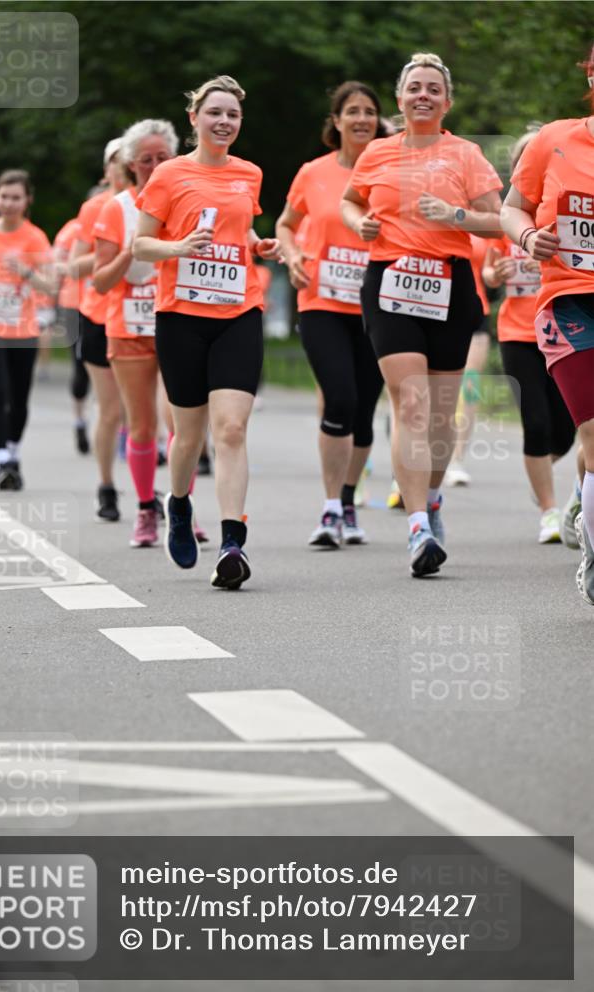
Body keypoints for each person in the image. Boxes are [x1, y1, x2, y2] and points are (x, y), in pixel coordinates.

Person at [341, 52, 503, 577]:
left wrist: (456, 215)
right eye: (415, 87)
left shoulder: (466, 154)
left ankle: (432, 499)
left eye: (434, 88)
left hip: (451, 285)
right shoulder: (377, 154)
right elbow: (350, 201)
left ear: (447, 101)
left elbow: (498, 221)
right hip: (390, 280)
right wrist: (359, 223)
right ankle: (416, 527)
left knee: (439, 415)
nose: (424, 95)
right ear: (401, 98)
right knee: (410, 404)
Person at [133, 74, 280, 589]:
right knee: (188, 436)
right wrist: (178, 249)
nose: (224, 122)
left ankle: (233, 541)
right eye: (214, 113)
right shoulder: (170, 175)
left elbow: (242, 230)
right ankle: (177, 503)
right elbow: (140, 246)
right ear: (193, 118)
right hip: (181, 317)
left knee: (232, 429)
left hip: (240, 311)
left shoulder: (250, 174)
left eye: (233, 115)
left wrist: (260, 246)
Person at [501, 45, 594, 603]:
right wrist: (529, 236)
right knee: (592, 429)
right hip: (571, 302)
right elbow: (513, 207)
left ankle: (584, 506)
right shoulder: (554, 139)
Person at [276, 81, 387, 547]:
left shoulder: (390, 170)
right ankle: (328, 508)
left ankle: (347, 498)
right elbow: (286, 224)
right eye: (352, 111)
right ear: (336, 121)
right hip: (321, 301)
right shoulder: (312, 173)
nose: (361, 118)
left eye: (369, 111)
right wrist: (293, 255)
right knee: (338, 397)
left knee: (362, 412)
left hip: (379, 304)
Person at [485, 130, 575, 543]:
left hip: (562, 327)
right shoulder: (510, 219)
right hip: (518, 333)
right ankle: (549, 511)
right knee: (535, 422)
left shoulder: (567, 214)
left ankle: (550, 480)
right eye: (522, 161)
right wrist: (495, 274)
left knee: (567, 429)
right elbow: (487, 270)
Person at [93, 118, 179, 547]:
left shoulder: (185, 200)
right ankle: (147, 509)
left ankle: (181, 510)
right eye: (145, 159)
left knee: (181, 423)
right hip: (129, 327)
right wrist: (132, 250)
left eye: (162, 157)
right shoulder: (116, 208)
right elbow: (100, 282)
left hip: (179, 321)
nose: (153, 165)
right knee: (142, 426)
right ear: (130, 163)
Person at [0, 169, 53, 489]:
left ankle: (13, 451)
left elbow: (51, 283)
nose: (9, 203)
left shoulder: (35, 237)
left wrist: (27, 273)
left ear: (27, 200)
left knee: (18, 397)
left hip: (22, 327)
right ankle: (1, 460)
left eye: (16, 198)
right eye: (4, 196)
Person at [69, 140, 128, 520]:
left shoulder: (157, 200)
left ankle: (152, 490)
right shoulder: (94, 208)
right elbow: (75, 267)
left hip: (147, 317)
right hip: (100, 317)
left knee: (153, 414)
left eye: (132, 160)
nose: (124, 167)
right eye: (117, 162)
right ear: (107, 170)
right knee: (111, 411)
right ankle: (106, 486)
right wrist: (119, 252)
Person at [444, 233, 493, 486]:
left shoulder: (482, 222)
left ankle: (457, 459)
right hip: (438, 310)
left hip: (476, 311)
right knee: (440, 387)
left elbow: (491, 271)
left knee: (470, 386)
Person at [54, 216, 90, 453]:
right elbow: (57, 266)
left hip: (108, 304)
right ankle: (79, 420)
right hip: (75, 305)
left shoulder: (124, 217)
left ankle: (122, 429)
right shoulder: (71, 229)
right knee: (80, 368)